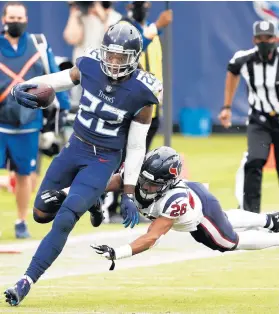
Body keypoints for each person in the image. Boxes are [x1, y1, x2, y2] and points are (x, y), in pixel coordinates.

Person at [4, 22, 162, 306]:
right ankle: (93, 200)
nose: (113, 63)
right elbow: (63, 78)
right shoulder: (90, 64)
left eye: (120, 57)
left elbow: (137, 145)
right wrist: (28, 86)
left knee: (64, 218)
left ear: (134, 58)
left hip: (103, 159)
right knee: (40, 213)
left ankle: (25, 281)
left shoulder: (142, 92)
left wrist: (127, 191)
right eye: (110, 55)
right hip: (75, 147)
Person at [31, 146, 279, 271]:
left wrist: (119, 252)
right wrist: (64, 194)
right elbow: (97, 185)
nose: (146, 186)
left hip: (199, 213)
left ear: (167, 183)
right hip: (200, 198)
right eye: (144, 180)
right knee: (224, 220)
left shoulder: (173, 200)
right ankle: (268, 220)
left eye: (153, 184)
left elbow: (151, 237)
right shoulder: (136, 174)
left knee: (226, 242)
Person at [0, 1, 70, 238]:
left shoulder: (38, 44)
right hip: (0, 121)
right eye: (12, 18)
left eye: (20, 19)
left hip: (28, 122)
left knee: (25, 174)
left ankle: (21, 220)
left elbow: (53, 76)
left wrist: (60, 115)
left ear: (26, 20)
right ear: (3, 19)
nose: (15, 22)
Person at [105, 1, 172, 221]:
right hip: (131, 106)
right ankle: (109, 204)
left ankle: (129, 201)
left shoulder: (152, 30)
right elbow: (139, 43)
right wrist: (157, 27)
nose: (146, 6)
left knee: (138, 156)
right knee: (123, 155)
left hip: (151, 106)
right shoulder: (126, 28)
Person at [218, 20, 279, 213]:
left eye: (267, 38)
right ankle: (251, 214)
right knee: (254, 160)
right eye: (260, 38)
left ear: (275, 38)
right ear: (254, 39)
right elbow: (232, 72)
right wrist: (227, 106)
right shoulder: (244, 59)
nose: (264, 42)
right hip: (259, 119)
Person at [63, 1, 122, 109]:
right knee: (78, 108)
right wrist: (74, 14)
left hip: (104, 74)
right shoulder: (80, 16)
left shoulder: (115, 17)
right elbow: (71, 38)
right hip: (81, 71)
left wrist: (101, 15)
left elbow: (114, 40)